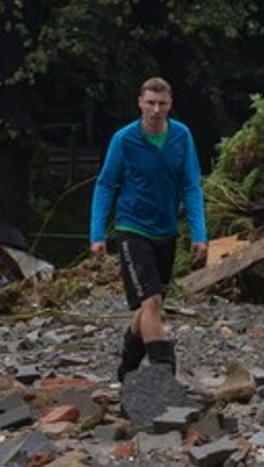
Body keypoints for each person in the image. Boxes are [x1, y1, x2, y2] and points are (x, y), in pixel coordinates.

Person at [89, 75, 208, 379]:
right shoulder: (124, 139)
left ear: (170, 105)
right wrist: (97, 234)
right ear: (140, 103)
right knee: (152, 301)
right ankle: (163, 371)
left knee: (147, 309)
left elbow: (191, 186)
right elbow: (105, 185)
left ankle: (126, 370)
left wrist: (199, 234)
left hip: (166, 230)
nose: (156, 110)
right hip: (132, 228)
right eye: (150, 103)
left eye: (162, 104)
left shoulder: (182, 136)